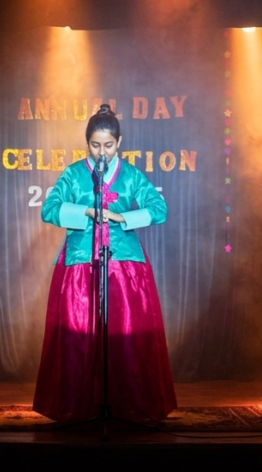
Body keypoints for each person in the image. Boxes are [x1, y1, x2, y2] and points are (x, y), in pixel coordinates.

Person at [33, 105, 178, 424]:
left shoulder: (131, 176)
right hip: (80, 262)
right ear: (87, 143)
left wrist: (122, 217)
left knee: (126, 337)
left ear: (119, 142)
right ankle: (78, 405)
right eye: (96, 145)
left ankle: (129, 404)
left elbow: (160, 208)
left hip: (124, 266)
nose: (102, 152)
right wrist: (85, 212)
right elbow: (49, 209)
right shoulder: (73, 173)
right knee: (77, 337)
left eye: (108, 145)